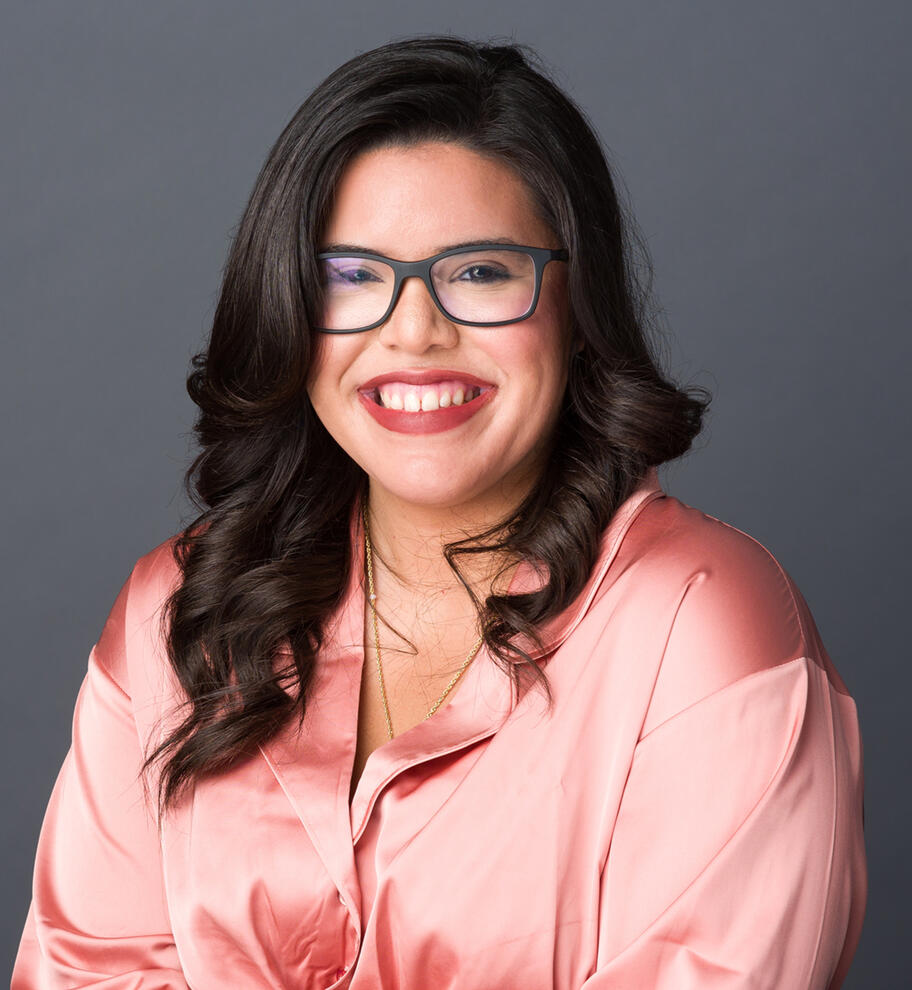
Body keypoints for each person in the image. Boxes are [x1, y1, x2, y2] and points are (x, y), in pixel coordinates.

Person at [12, 35, 866, 990]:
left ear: (576, 306)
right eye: (352, 276)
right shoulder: (178, 607)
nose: (414, 332)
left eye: (481, 272)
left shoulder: (701, 623)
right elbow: (80, 971)